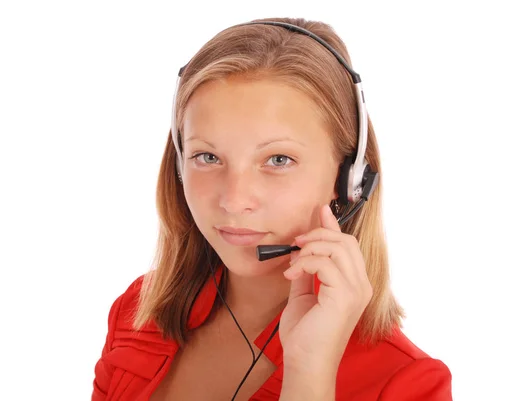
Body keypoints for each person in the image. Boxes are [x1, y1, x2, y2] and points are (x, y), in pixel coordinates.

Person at [91, 17, 452, 401]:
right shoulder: (137, 312)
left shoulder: (406, 383)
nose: (234, 199)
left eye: (278, 159)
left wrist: (310, 370)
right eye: (207, 156)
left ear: (350, 179)